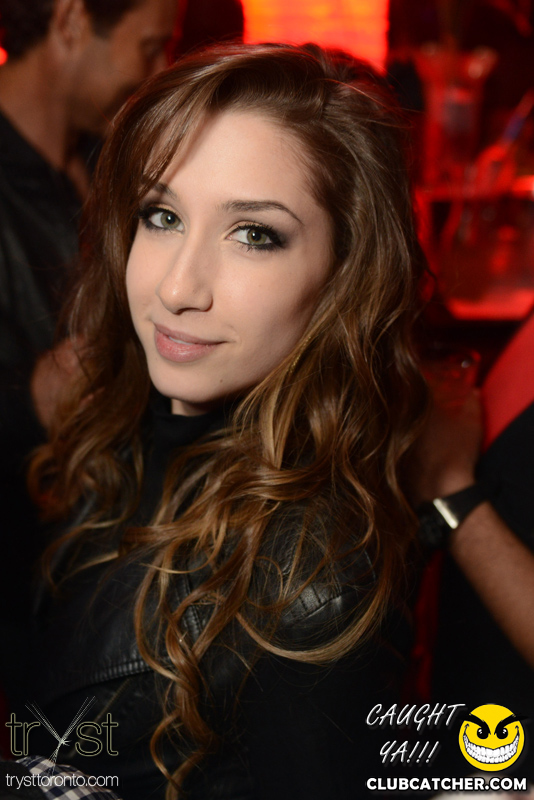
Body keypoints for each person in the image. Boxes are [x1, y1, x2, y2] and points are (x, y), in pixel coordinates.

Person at [23, 44, 426, 800]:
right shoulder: (119, 433)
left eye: (253, 235)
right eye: (162, 215)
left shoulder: (305, 593)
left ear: (344, 275)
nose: (179, 287)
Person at [0, 0, 180, 700]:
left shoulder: (110, 159)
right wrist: (28, 399)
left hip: (100, 578)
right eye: (150, 47)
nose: (158, 71)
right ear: (72, 21)